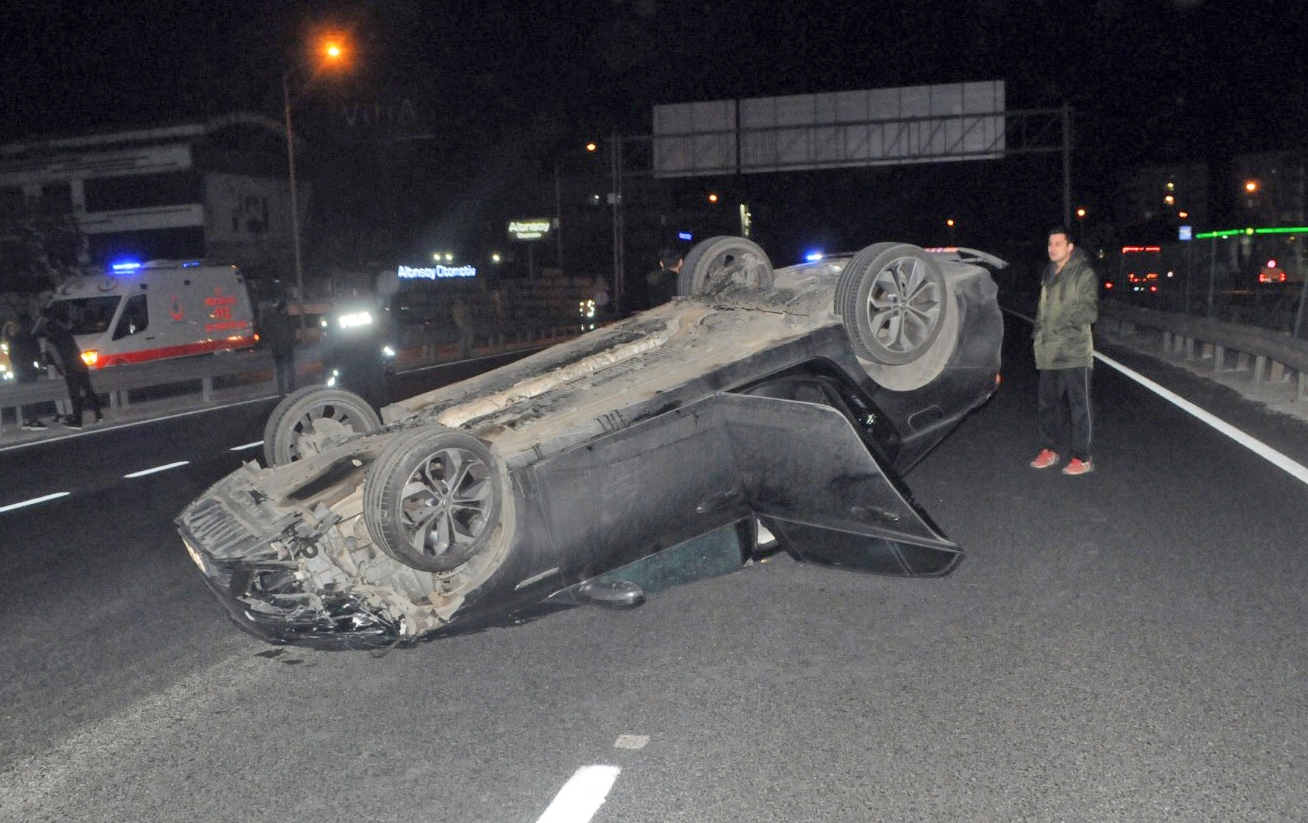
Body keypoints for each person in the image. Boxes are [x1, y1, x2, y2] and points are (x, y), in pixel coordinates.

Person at [1029, 226, 1098, 476]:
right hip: (1048, 351)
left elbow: (1089, 311)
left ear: (1070, 247)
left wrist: (1060, 325)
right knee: (1047, 405)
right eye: (1050, 244)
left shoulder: (1083, 273)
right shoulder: (1048, 274)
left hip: (1074, 351)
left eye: (1058, 243)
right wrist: (1039, 331)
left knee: (1079, 406)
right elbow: (1043, 309)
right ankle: (1049, 449)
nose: (1052, 248)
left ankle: (1083, 456)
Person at [37, 311, 104, 429]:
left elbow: (56, 358)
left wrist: (63, 372)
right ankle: (99, 415)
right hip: (80, 365)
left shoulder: (50, 339)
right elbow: (76, 350)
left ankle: (77, 421)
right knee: (88, 391)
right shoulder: (66, 333)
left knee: (75, 395)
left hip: (70, 368)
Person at [3, 316, 49, 430]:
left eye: (13, 329)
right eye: (10, 330)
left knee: (26, 395)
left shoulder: (15, 341)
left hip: (20, 371)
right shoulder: (17, 341)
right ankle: (32, 421)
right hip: (22, 371)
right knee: (29, 395)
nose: (13, 332)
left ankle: (28, 420)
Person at [260, 299, 297, 394]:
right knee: (290, 367)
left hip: (276, 348)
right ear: (284, 308)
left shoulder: (271, 319)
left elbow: (266, 332)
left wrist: (270, 342)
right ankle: (291, 387)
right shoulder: (287, 318)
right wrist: (292, 341)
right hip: (287, 347)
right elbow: (292, 332)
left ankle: (281, 388)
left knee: (280, 368)